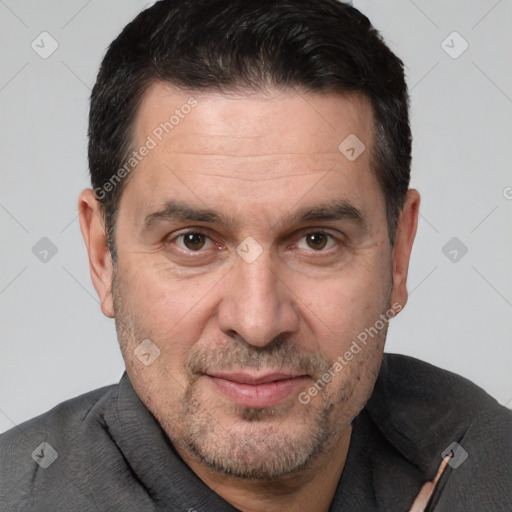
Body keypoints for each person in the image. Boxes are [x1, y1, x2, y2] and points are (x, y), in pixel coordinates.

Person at [1, 1, 510, 511]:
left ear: (399, 254)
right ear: (103, 257)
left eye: (317, 240)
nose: (258, 321)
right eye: (193, 241)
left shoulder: (489, 470)